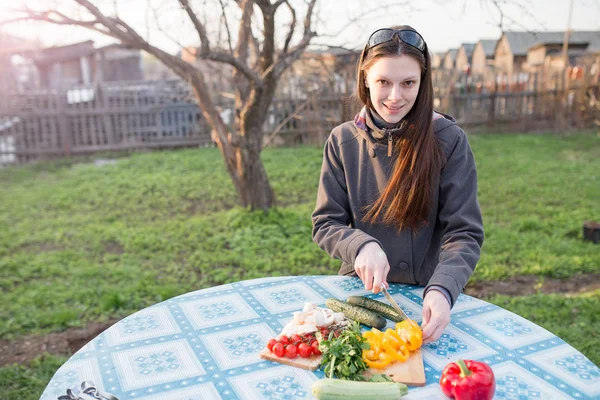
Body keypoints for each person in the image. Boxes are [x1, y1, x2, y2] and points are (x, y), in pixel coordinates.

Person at [311, 26, 484, 344]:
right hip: (358, 296)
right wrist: (360, 245)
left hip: (428, 296)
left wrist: (443, 289)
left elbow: (464, 233)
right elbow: (325, 224)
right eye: (383, 82)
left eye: (408, 83)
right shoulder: (343, 140)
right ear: (365, 78)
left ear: (423, 82)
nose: (395, 97)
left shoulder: (448, 140)